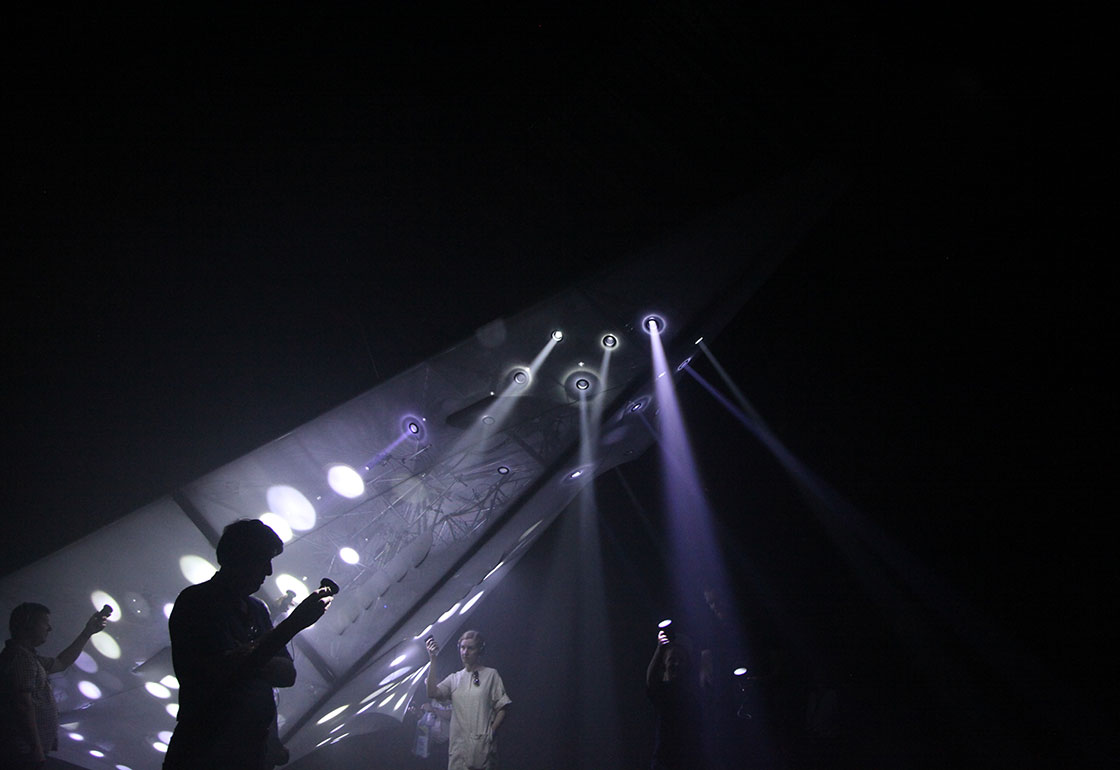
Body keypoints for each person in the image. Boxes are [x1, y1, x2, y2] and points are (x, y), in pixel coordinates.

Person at [162, 519, 332, 770]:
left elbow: (287, 674)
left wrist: (252, 659)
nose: (269, 571)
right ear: (240, 557)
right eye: (263, 560)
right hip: (204, 752)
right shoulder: (197, 601)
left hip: (246, 752)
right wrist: (293, 625)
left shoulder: (257, 609)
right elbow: (225, 671)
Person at [0, 602, 110, 769]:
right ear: (28, 624)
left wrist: (87, 633)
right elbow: (23, 705)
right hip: (23, 752)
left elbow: (60, 663)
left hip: (25, 750)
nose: (49, 628)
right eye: (44, 622)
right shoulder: (20, 659)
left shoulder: (28, 658)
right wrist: (36, 748)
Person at [425, 630, 511, 770]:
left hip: (482, 750)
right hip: (458, 751)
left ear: (479, 650)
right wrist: (433, 659)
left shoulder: (491, 675)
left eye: (470, 648)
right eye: (462, 648)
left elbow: (503, 706)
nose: (465, 652)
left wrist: (491, 733)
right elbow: (432, 692)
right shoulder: (454, 679)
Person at [647, 629, 706, 770]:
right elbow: (651, 680)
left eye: (681, 660)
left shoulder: (692, 694)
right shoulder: (663, 691)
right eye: (672, 659)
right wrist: (659, 649)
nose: (676, 664)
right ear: (665, 663)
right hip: (665, 762)